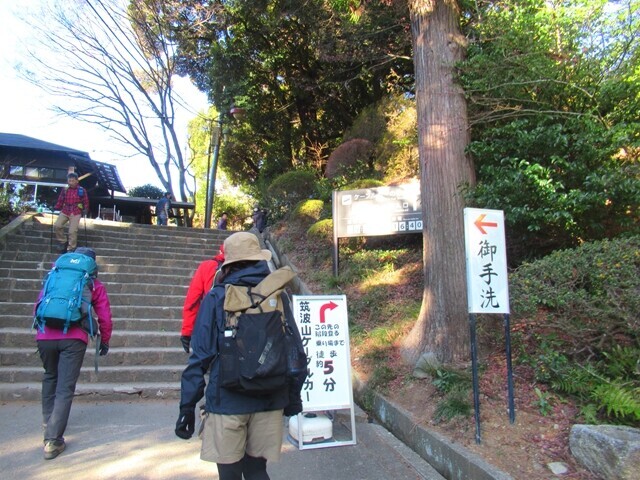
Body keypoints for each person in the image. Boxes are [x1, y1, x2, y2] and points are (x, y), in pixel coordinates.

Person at [175, 232, 304, 480]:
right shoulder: (278, 296)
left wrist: (187, 406)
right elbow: (296, 353)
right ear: (259, 260)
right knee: (257, 471)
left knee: (230, 474)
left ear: (228, 264)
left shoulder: (217, 297)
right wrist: (292, 399)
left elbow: (200, 357)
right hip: (270, 399)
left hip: (227, 401)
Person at [35, 247, 113, 460]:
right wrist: (104, 340)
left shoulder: (55, 275)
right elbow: (104, 316)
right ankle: (52, 440)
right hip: (73, 338)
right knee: (65, 388)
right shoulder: (94, 284)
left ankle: (48, 420)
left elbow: (39, 303)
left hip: (45, 336)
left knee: (50, 376)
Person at [180, 244, 225, 353]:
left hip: (210, 325)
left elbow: (193, 301)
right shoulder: (254, 268)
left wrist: (187, 331)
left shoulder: (208, 267)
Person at [53, 172, 90, 253]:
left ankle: (71, 248)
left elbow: (86, 201)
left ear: (77, 181)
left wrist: (86, 209)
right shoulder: (65, 190)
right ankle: (62, 241)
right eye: (69, 181)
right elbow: (60, 200)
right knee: (57, 225)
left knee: (72, 231)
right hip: (65, 210)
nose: (71, 182)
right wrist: (56, 207)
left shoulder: (81, 190)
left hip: (76, 211)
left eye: (73, 181)